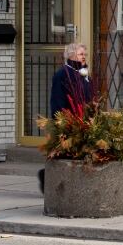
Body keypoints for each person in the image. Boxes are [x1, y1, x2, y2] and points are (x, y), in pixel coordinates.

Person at [38, 42, 92, 193]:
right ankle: (46, 176)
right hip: (68, 120)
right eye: (81, 54)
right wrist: (60, 121)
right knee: (64, 152)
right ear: (71, 55)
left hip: (82, 119)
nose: (84, 57)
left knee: (77, 151)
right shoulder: (62, 74)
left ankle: (74, 183)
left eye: (84, 54)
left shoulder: (82, 72)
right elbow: (57, 100)